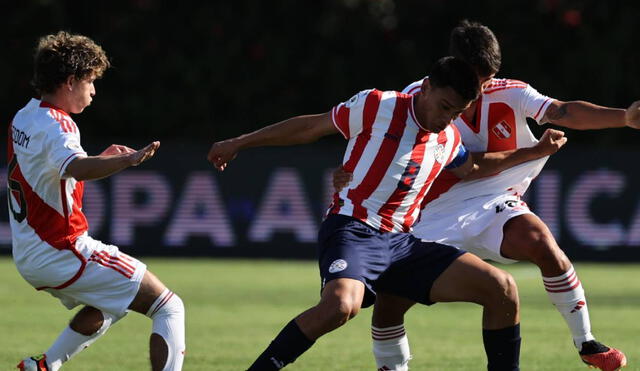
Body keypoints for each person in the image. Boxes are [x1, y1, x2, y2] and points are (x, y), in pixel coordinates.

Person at [208, 56, 565, 370]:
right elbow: (310, 127)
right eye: (444, 107)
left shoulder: (448, 139)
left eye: (457, 113)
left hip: (403, 244)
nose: (447, 120)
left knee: (502, 289)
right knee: (340, 306)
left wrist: (532, 152)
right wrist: (239, 143)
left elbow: (471, 169)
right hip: (353, 229)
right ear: (425, 88)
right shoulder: (379, 105)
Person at [333, 20, 638, 371]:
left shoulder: (511, 92)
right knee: (390, 302)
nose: (482, 88)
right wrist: (348, 171)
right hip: (429, 212)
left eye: (489, 78)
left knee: (540, 241)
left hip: (494, 199)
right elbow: (441, 158)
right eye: (477, 78)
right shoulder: (424, 97)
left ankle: (586, 341)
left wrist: (625, 118)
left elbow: (564, 111)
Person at [10, 31, 185, 371]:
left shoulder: (24, 116)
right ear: (71, 81)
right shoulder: (59, 125)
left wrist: (100, 158)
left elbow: (55, 172)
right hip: (63, 249)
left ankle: (43, 366)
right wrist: (125, 161)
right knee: (168, 305)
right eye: (90, 82)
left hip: (30, 251)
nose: (93, 91)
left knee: (109, 301)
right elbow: (74, 166)